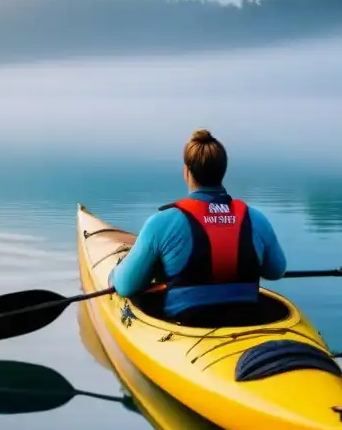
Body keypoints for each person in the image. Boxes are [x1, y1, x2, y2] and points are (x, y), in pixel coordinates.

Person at [111, 129, 287, 325]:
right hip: (247, 322)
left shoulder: (162, 222)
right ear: (223, 171)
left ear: (187, 172)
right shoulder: (255, 218)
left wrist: (114, 272)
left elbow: (125, 286)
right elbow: (276, 271)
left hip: (188, 327)